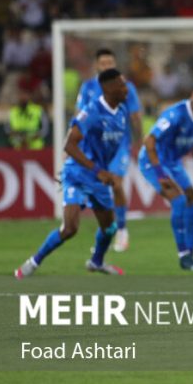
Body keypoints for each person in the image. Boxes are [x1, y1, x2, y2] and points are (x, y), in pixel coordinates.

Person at [14, 69, 130, 278]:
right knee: (70, 228)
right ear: (109, 88)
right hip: (78, 175)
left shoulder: (121, 113)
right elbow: (69, 144)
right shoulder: (91, 111)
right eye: (122, 85)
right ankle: (33, 262)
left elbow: (107, 148)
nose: (126, 88)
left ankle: (97, 262)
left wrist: (105, 173)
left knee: (109, 229)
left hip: (98, 179)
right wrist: (95, 170)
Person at [139, 80, 193, 271]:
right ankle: (183, 256)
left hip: (173, 161)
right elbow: (149, 141)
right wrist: (159, 174)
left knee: (192, 200)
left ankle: (190, 255)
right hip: (153, 160)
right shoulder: (175, 114)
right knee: (179, 201)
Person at [77, 48, 143, 253]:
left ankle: (122, 230)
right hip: (95, 148)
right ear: (97, 65)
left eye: (110, 63)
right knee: (97, 190)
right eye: (103, 63)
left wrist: (140, 140)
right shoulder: (87, 87)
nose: (107, 66)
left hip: (119, 144)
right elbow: (80, 116)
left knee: (115, 182)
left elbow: (135, 115)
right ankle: (107, 233)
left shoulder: (126, 87)